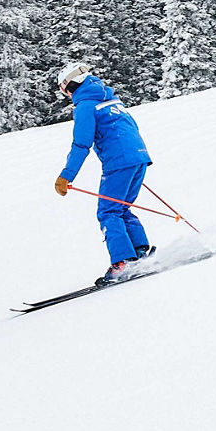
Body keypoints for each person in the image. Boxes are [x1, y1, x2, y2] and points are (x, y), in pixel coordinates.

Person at [54, 61, 155, 285]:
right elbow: (131, 128)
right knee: (121, 208)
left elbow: (81, 143)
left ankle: (123, 262)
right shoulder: (112, 100)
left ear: (71, 85)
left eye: (64, 89)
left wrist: (66, 175)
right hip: (138, 157)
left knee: (108, 212)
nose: (66, 95)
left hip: (120, 162)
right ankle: (139, 252)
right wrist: (132, 159)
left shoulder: (86, 105)